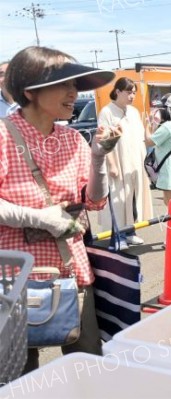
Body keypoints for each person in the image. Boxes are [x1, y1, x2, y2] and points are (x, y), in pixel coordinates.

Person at [0, 46, 119, 371]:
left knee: (88, 361)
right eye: (64, 84)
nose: (73, 93)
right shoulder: (3, 136)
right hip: (14, 277)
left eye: (76, 85)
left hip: (71, 268)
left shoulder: (72, 139)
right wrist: (39, 218)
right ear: (30, 91)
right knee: (19, 371)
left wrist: (98, 158)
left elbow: (94, 200)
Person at [97, 77, 153, 246]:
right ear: (117, 91)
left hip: (135, 163)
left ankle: (130, 230)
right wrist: (112, 164)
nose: (132, 96)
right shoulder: (107, 112)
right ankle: (118, 236)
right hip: (118, 163)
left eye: (134, 93)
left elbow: (144, 137)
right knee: (117, 199)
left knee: (133, 197)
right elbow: (105, 139)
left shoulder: (134, 112)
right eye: (129, 92)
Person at [144, 93, 171, 206]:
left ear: (168, 109)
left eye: (161, 108)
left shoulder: (169, 125)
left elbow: (149, 141)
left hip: (170, 171)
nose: (158, 110)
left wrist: (147, 124)